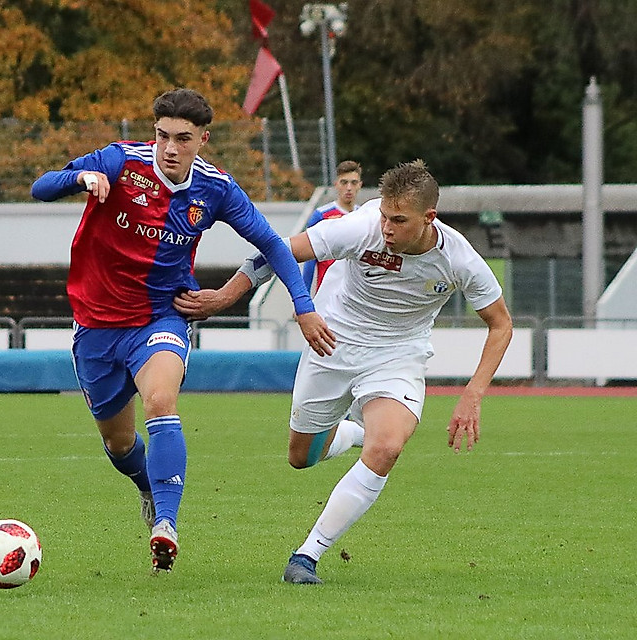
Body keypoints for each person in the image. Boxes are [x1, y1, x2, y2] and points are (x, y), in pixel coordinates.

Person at [31, 88, 333, 573]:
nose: (170, 148)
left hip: (161, 317)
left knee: (160, 401)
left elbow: (274, 245)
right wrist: (79, 177)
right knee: (119, 444)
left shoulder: (215, 189)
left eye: (183, 138)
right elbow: (40, 187)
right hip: (96, 326)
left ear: (203, 139)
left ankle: (166, 526)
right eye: (163, 136)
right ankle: (147, 486)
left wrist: (303, 306)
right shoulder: (119, 162)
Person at [174, 160, 513, 584]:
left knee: (386, 447)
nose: (387, 227)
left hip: (397, 355)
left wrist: (472, 394)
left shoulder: (459, 258)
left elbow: (501, 324)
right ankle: (352, 432)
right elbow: (276, 250)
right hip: (332, 342)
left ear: (430, 218)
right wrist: (224, 297)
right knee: (301, 458)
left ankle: (306, 556)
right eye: (385, 216)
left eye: (399, 220)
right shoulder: (360, 228)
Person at [301, 160, 363, 298]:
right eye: (344, 182)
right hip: (326, 294)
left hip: (354, 296)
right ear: (336, 184)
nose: (349, 188)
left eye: (353, 183)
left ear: (360, 185)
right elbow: (309, 259)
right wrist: (304, 298)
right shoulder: (321, 215)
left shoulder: (363, 216)